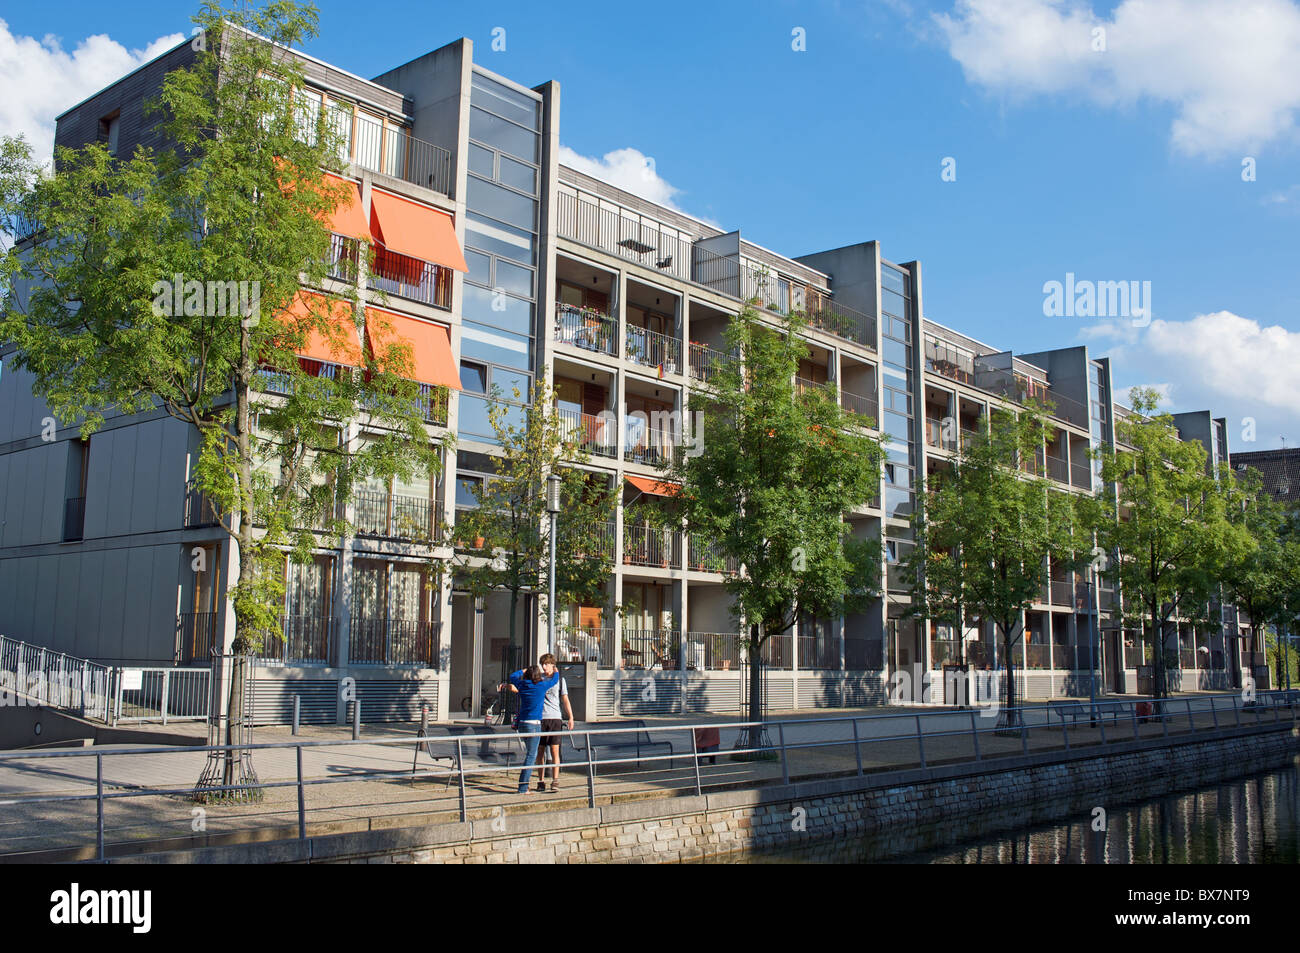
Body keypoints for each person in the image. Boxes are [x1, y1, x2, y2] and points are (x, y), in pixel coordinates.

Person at [498, 664, 560, 794]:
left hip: (522, 723)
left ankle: (524, 785)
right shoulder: (541, 686)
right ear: (537, 675)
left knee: (530, 753)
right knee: (531, 755)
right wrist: (556, 671)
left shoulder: (522, 685)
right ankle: (523, 787)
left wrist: (523, 670)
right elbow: (554, 680)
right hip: (534, 724)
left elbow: (512, 676)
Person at [534, 653, 574, 792]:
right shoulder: (538, 679)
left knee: (554, 749)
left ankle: (555, 780)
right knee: (540, 751)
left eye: (546, 664)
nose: (544, 667)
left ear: (552, 665)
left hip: (555, 717)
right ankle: (540, 780)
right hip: (541, 718)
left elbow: (565, 699)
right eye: (542, 664)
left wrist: (570, 716)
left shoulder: (560, 680)